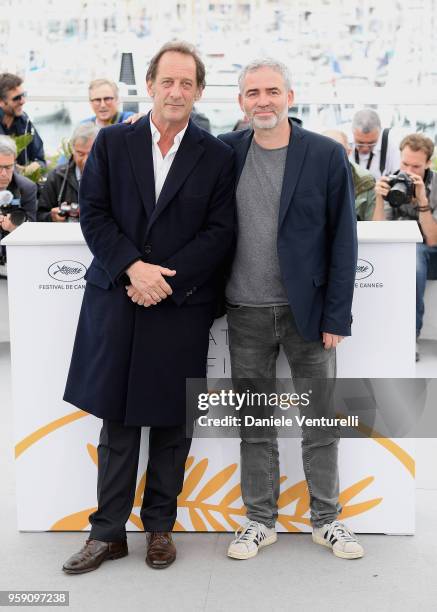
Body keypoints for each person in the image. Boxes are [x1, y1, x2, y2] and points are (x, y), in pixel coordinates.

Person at [62, 41, 235, 573]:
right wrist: (133, 269)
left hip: (180, 304)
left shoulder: (218, 155)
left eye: (187, 83)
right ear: (151, 85)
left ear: (199, 90)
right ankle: (107, 533)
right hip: (118, 297)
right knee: (116, 422)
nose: (177, 92)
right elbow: (93, 214)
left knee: (171, 426)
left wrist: (164, 281)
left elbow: (220, 233)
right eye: (168, 82)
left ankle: (159, 528)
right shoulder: (113, 143)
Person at [218, 59, 363, 560]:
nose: (264, 100)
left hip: (310, 315)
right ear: (240, 102)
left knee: (321, 422)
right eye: (253, 92)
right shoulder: (224, 151)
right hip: (245, 312)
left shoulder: (324, 155)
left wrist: (336, 317)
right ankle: (259, 521)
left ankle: (329, 520)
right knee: (254, 425)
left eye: (272, 91)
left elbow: (344, 240)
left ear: (290, 96)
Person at [373, 133, 437, 361]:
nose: (409, 170)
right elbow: (378, 232)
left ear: (428, 163)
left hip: (426, 249)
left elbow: (432, 239)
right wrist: (380, 198)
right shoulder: (392, 181)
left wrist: (422, 199)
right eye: (404, 163)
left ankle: (410, 337)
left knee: (416, 258)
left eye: (416, 166)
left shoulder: (435, 184)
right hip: (396, 246)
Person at [37, 123, 98, 222]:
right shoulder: (56, 177)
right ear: (72, 150)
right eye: (80, 154)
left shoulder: (113, 177)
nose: (86, 160)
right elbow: (39, 216)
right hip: (66, 235)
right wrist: (51, 217)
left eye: (91, 153)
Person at [323, 129, 377, 220]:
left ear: (348, 152)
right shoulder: (305, 177)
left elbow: (371, 224)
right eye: (325, 152)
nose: (331, 157)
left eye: (336, 152)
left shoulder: (365, 181)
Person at [0, 73, 45, 169]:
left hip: (21, 182)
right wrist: (14, 169)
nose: (23, 101)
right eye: (16, 98)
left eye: (23, 95)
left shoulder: (24, 122)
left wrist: (35, 166)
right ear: (1, 102)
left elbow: (40, 158)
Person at [0, 135, 37, 233]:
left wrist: (16, 228)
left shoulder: (27, 188)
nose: (3, 174)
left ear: (14, 163)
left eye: (8, 167)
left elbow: (31, 230)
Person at [351, 108, 401, 179]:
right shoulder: (343, 142)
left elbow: (398, 175)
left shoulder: (391, 144)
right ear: (352, 132)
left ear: (379, 132)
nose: (365, 148)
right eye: (360, 143)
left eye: (371, 143)